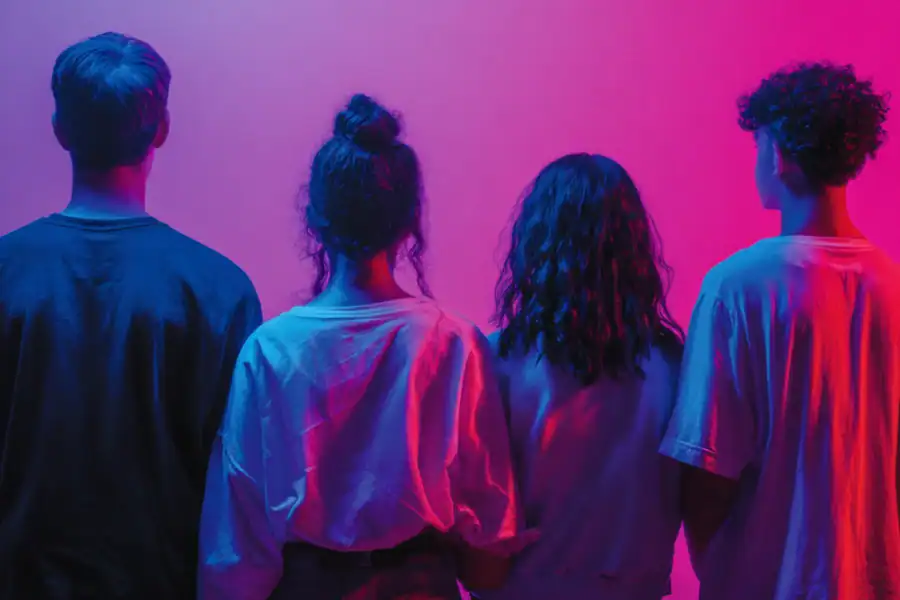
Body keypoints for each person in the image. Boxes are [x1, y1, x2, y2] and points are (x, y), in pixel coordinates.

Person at [197, 94, 523, 600]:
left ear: (315, 219)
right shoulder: (454, 343)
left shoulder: (269, 350)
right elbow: (488, 552)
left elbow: (238, 543)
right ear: (409, 221)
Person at [0, 32, 263, 599]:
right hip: (165, 581)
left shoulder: (6, 270)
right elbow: (240, 479)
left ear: (59, 129)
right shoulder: (219, 289)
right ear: (161, 129)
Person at [660, 62, 898, 600]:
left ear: (778, 155)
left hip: (763, 583)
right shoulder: (892, 287)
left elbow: (707, 467)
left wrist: (720, 566)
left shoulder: (736, 287)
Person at [479, 153, 684, 600]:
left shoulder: (496, 360)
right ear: (633, 248)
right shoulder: (675, 366)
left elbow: (482, 518)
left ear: (536, 242)